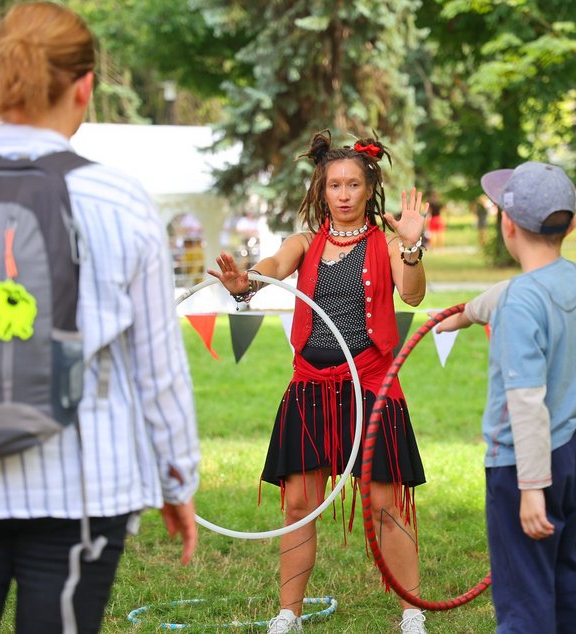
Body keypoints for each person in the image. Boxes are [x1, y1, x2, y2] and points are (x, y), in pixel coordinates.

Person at [0, 4, 200, 633]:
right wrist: (176, 476)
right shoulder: (118, 199)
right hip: (82, 487)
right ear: (85, 86)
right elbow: (157, 365)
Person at [209, 130, 429, 634]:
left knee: (384, 504)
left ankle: (411, 611)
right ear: (322, 190)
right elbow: (270, 270)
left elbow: (413, 296)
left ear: (369, 188)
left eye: (354, 184)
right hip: (310, 388)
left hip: (371, 388)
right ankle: (289, 613)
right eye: (335, 185)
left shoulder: (390, 245)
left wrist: (413, 248)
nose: (345, 194)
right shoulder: (304, 243)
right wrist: (247, 284)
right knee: (299, 502)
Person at [436, 161, 576, 633]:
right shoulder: (570, 278)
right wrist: (468, 313)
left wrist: (530, 489)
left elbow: (525, 401)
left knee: (524, 601)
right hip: (572, 454)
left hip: (523, 466)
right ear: (568, 224)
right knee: (569, 587)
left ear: (507, 224)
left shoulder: (522, 303)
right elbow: (513, 290)